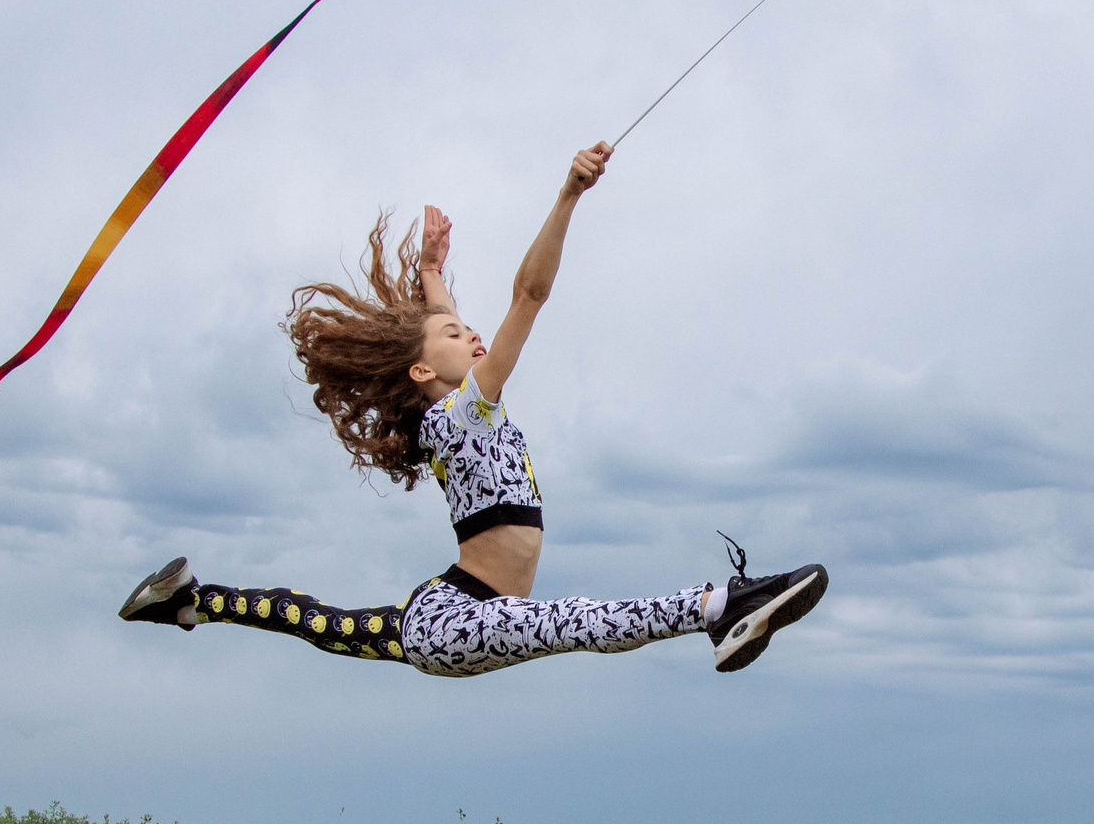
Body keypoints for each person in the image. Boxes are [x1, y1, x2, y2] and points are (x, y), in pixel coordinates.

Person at [118, 141, 826, 676]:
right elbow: (529, 297)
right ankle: (719, 606)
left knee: (326, 624)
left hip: (451, 609)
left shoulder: (453, 412)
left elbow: (450, 334)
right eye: (459, 334)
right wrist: (568, 194)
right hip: (465, 617)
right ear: (427, 368)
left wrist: (431, 274)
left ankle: (188, 600)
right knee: (575, 621)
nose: (475, 335)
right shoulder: (464, 412)